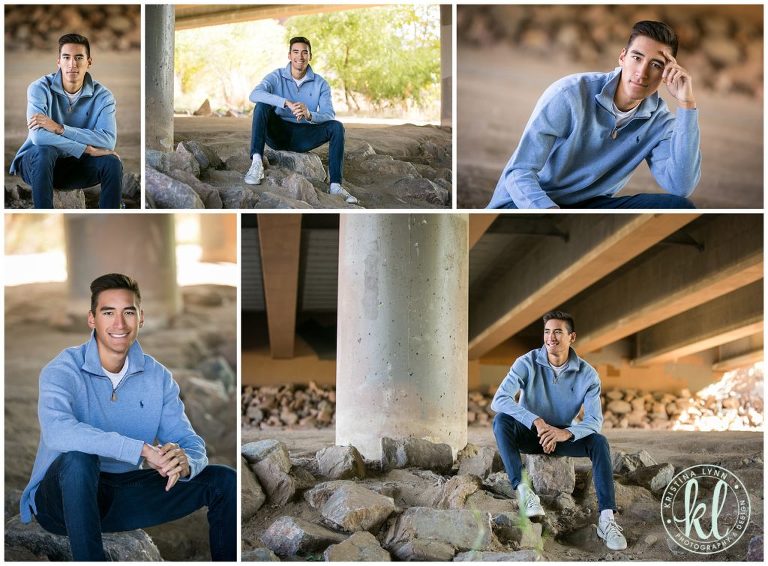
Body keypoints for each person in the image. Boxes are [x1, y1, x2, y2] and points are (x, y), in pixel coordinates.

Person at [19, 273, 236, 561]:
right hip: (61, 500)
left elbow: (189, 440)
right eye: (108, 313)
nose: (119, 324)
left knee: (224, 481)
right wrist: (142, 450)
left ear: (141, 318)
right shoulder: (62, 369)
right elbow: (58, 431)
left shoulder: (158, 377)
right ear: (92, 319)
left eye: (128, 312)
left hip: (121, 495)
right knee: (79, 460)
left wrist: (185, 461)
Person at [487, 21, 701, 209]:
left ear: (665, 74)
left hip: (587, 207)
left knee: (679, 207)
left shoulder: (660, 123)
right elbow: (519, 171)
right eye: (637, 58)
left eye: (656, 65)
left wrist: (686, 103)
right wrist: (548, 210)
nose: (642, 73)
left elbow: (681, 186)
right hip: (527, 204)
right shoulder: (569, 94)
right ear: (622, 57)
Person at [491, 311, 627, 551]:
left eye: (557, 332)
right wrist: (536, 421)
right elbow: (499, 399)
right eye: (547, 332)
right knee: (501, 421)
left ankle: (607, 519)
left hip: (562, 436)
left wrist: (566, 433)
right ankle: (524, 491)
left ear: (571, 337)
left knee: (599, 442)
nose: (550, 337)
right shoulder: (527, 362)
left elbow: (594, 420)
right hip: (530, 431)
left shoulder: (588, 374)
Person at [9, 33, 123, 209]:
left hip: (74, 167)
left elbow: (108, 141)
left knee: (112, 163)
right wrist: (86, 149)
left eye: (79, 57)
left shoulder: (104, 97)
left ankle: (110, 220)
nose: (72, 64)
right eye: (66, 57)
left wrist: (60, 128)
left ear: (89, 62)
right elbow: (38, 137)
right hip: (36, 165)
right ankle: (45, 217)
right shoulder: (39, 88)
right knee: (45, 151)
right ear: (59, 62)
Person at [246, 36, 358, 204]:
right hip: (277, 132)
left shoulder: (321, 84)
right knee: (261, 106)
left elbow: (329, 115)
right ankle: (256, 163)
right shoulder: (276, 76)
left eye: (305, 52)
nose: (300, 56)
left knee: (337, 127)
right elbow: (254, 94)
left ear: (310, 56)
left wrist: (309, 114)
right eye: (296, 52)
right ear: (289, 55)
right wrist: (285, 103)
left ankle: (335, 185)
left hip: (304, 136)